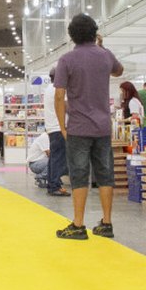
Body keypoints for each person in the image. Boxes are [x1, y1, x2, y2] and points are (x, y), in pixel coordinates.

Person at [54, 13, 123, 241]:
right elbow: (119, 71)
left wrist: (63, 126)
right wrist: (103, 47)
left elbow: (59, 95)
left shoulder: (66, 60)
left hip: (79, 127)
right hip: (103, 127)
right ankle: (107, 222)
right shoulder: (104, 55)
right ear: (94, 32)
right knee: (105, 174)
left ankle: (78, 224)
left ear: (72, 35)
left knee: (79, 175)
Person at [43, 68, 70, 197]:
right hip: (58, 128)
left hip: (51, 128)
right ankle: (55, 186)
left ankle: (52, 184)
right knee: (58, 158)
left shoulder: (48, 89)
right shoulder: (57, 90)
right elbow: (66, 106)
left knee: (54, 158)